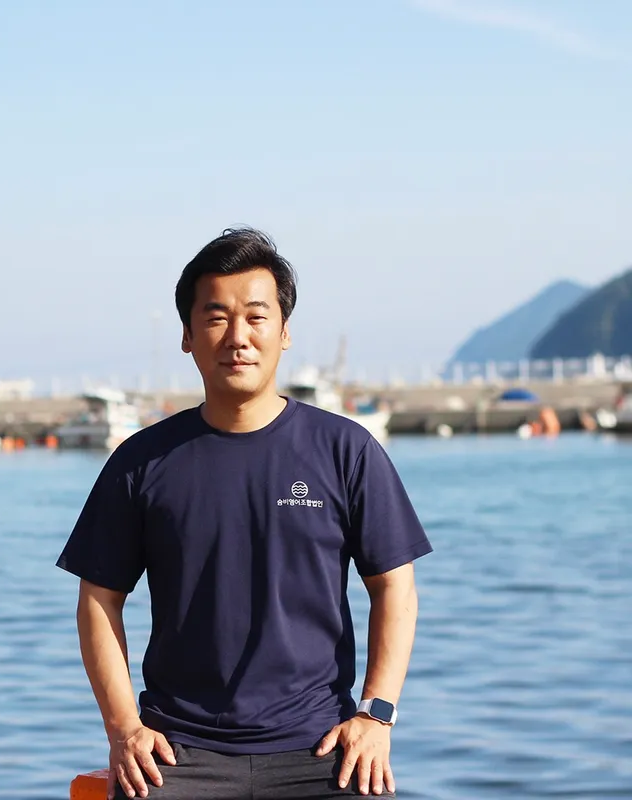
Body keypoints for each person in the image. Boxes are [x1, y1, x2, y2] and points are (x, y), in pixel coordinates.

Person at [56, 227, 432, 799]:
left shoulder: (346, 451)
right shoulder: (141, 462)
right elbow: (98, 599)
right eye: (216, 318)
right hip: (177, 751)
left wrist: (375, 714)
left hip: (323, 747)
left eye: (257, 317)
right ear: (187, 336)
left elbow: (395, 587)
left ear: (284, 332)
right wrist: (124, 727)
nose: (238, 337)